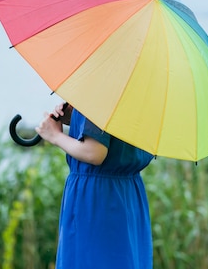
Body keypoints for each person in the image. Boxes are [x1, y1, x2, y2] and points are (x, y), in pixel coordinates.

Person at [35, 102, 155, 269]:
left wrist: (55, 135)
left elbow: (94, 152)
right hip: (128, 194)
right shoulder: (145, 90)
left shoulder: (102, 87)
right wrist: (78, 119)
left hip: (97, 197)